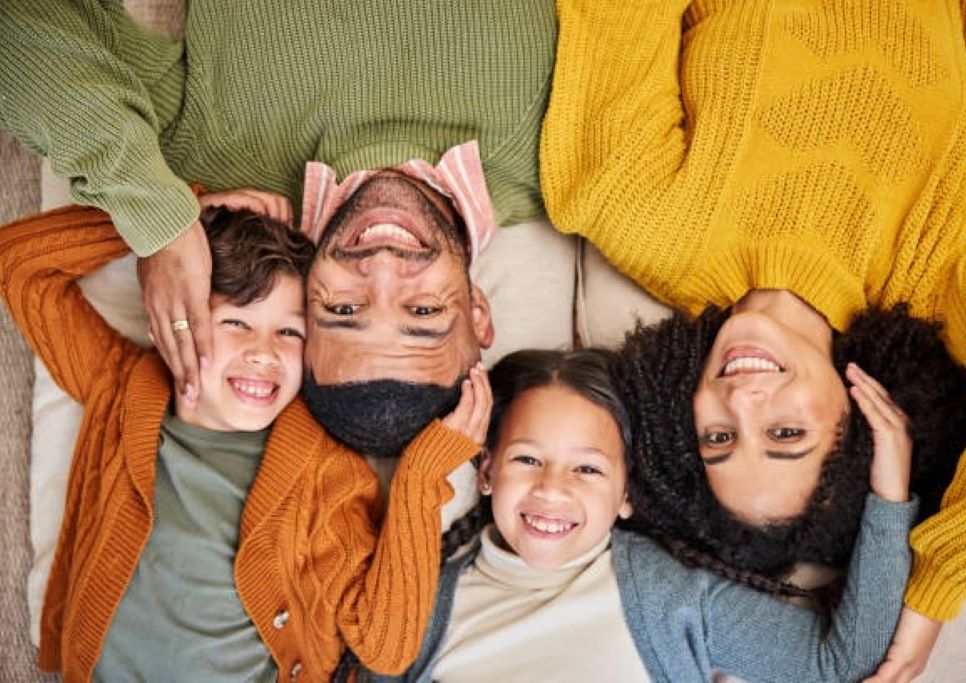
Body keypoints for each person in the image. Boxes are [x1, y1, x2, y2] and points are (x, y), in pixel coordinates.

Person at [539, 0, 966, 676]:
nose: (742, 402)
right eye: (786, 433)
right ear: (860, 419)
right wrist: (939, 579)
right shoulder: (924, 278)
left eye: (718, 437)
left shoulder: (637, 215)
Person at [0, 194, 490, 681]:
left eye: (290, 333)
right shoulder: (122, 389)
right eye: (235, 322)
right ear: (174, 321)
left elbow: (385, 649)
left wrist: (419, 481)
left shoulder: (325, 474)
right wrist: (172, 220)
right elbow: (19, 263)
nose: (264, 353)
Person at [0, 0, 556, 404]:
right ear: (478, 311)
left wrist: (159, 220)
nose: (383, 267)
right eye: (424, 311)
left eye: (344, 311)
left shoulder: (209, 160)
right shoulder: (560, 155)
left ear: (304, 306)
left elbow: (19, 31)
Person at [360, 348, 919, 682]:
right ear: (486, 472)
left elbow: (838, 663)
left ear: (626, 494)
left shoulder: (668, 597)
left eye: (588, 469)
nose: (552, 488)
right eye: (527, 459)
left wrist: (890, 492)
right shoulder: (420, 606)